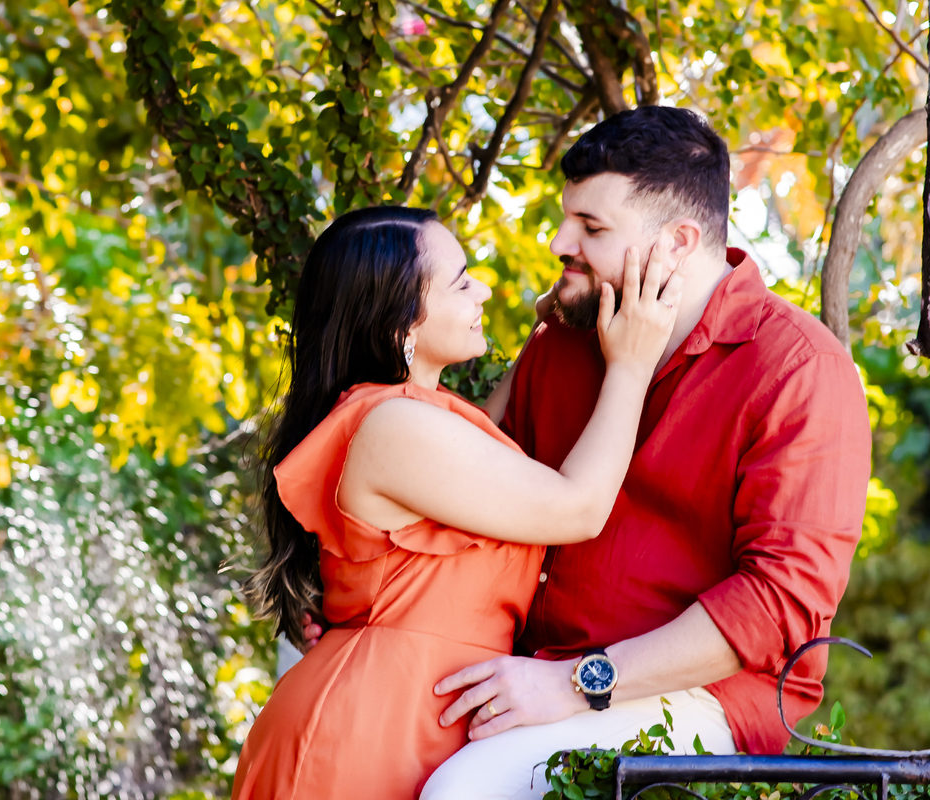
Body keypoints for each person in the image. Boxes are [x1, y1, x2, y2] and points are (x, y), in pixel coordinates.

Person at [408, 107, 873, 799]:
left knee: (466, 791)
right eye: (569, 219)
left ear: (678, 241)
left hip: (712, 698)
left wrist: (578, 683)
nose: (561, 241)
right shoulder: (563, 345)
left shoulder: (799, 369)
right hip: (532, 668)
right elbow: (488, 514)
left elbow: (778, 602)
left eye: (592, 229)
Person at [232, 205, 683, 800]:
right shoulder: (391, 427)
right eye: (462, 280)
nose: (484, 289)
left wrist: (548, 331)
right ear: (403, 326)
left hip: (421, 718)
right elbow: (577, 507)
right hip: (367, 733)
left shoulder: (413, 415)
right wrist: (631, 363)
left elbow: (495, 439)